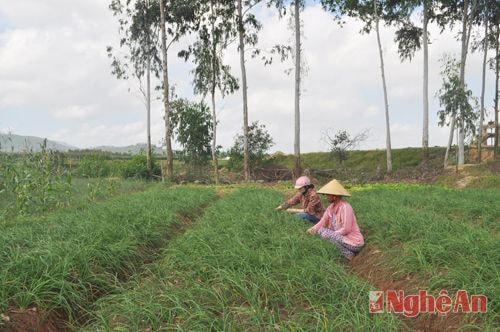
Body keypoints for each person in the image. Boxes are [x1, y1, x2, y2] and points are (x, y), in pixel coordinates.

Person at [306, 179, 364, 261]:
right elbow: (323, 221)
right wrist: (312, 229)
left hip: (354, 243)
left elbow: (346, 229)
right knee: (322, 231)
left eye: (328, 195)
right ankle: (347, 254)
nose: (326, 197)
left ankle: (349, 255)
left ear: (334, 196)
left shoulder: (345, 207)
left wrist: (332, 235)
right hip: (342, 240)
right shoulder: (331, 208)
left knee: (324, 233)